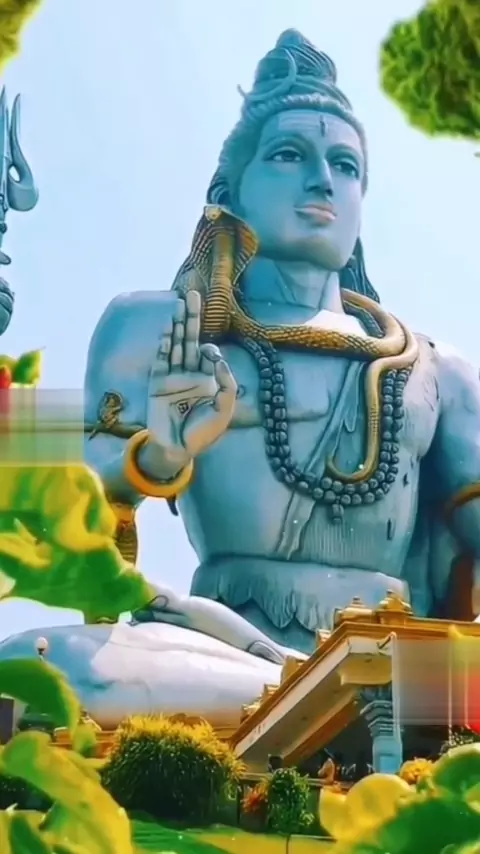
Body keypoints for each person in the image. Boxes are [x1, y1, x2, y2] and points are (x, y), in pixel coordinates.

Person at [1, 30, 480, 730]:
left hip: (399, 652)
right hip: (221, 650)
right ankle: (318, 701)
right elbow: (49, 495)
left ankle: (339, 700)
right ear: (230, 193)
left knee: (425, 675)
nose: (322, 181)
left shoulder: (435, 369)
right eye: (289, 154)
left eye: (345, 165)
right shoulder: (157, 327)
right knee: (46, 666)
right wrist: (155, 455)